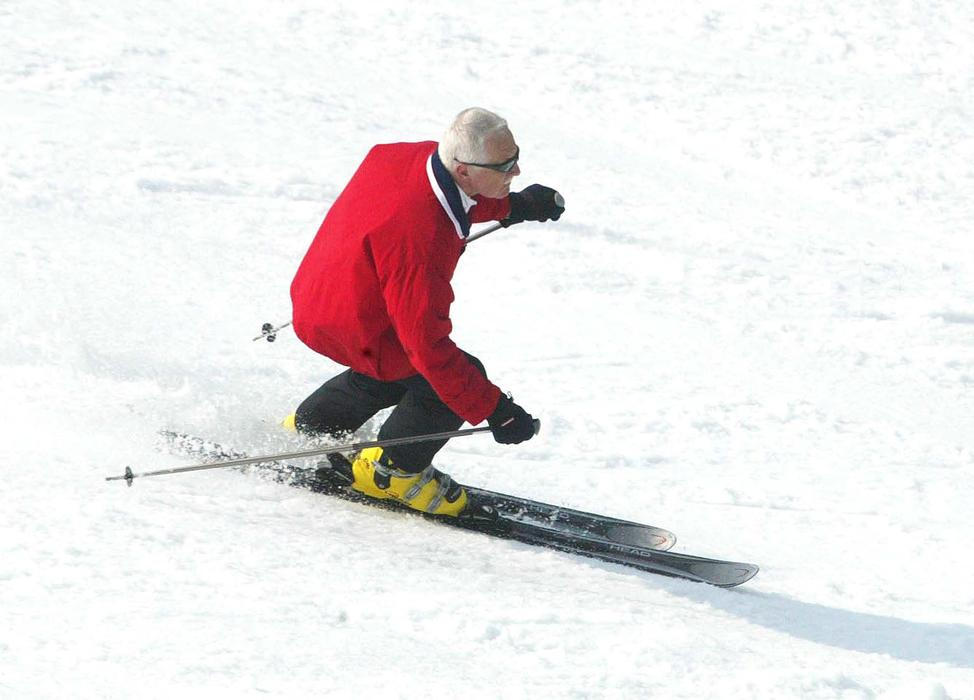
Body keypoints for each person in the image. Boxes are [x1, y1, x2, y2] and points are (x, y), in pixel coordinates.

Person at [288, 107, 565, 517]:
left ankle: (313, 427)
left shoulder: (406, 155)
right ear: (464, 168)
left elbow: (444, 199)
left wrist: (513, 205)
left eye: (516, 156)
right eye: (505, 165)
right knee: (447, 373)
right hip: (353, 324)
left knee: (399, 365)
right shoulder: (422, 243)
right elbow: (429, 348)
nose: (517, 170)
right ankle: (392, 474)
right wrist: (497, 411)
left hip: (323, 298)